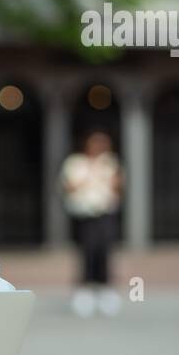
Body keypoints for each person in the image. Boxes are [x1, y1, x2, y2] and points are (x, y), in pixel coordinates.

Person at [59, 130, 124, 317]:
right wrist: (90, 174)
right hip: (85, 214)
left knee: (104, 251)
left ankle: (105, 290)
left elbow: (118, 186)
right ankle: (84, 291)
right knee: (87, 251)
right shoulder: (76, 163)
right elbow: (69, 186)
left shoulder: (110, 163)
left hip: (105, 213)